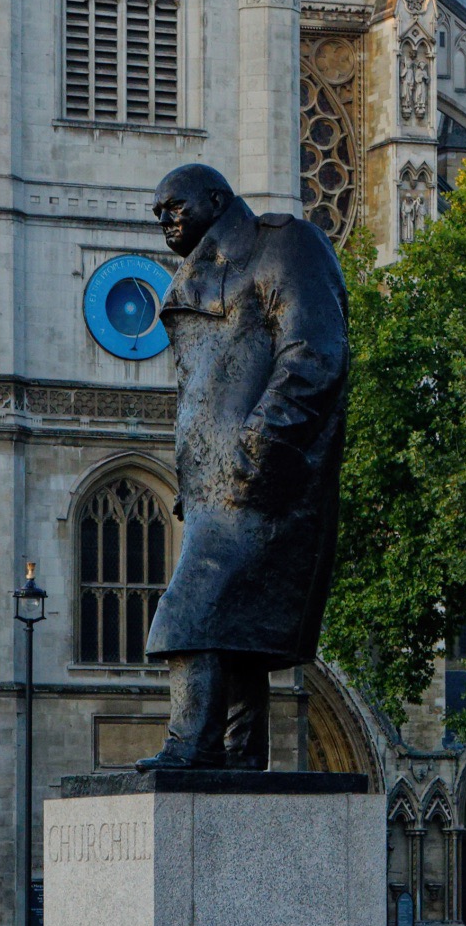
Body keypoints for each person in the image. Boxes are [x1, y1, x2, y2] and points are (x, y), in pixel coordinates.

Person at [137, 163, 350, 769]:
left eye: (174, 207)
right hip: (213, 485)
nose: (166, 222)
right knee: (236, 631)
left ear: (214, 199)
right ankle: (237, 754)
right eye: (158, 215)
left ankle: (190, 744)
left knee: (192, 611)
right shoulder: (196, 277)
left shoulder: (282, 244)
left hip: (268, 476)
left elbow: (315, 352)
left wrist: (261, 444)